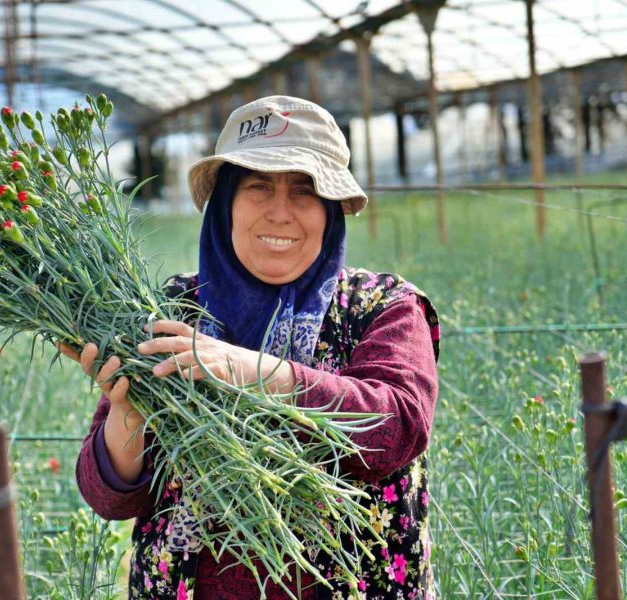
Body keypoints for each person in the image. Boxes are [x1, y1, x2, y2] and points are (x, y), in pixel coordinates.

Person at [60, 96, 440, 599]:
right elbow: (106, 495)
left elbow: (399, 424)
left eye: (305, 191)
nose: (280, 212)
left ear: (331, 212)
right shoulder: (173, 310)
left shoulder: (382, 306)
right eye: (258, 186)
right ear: (225, 205)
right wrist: (129, 412)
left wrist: (249, 369)